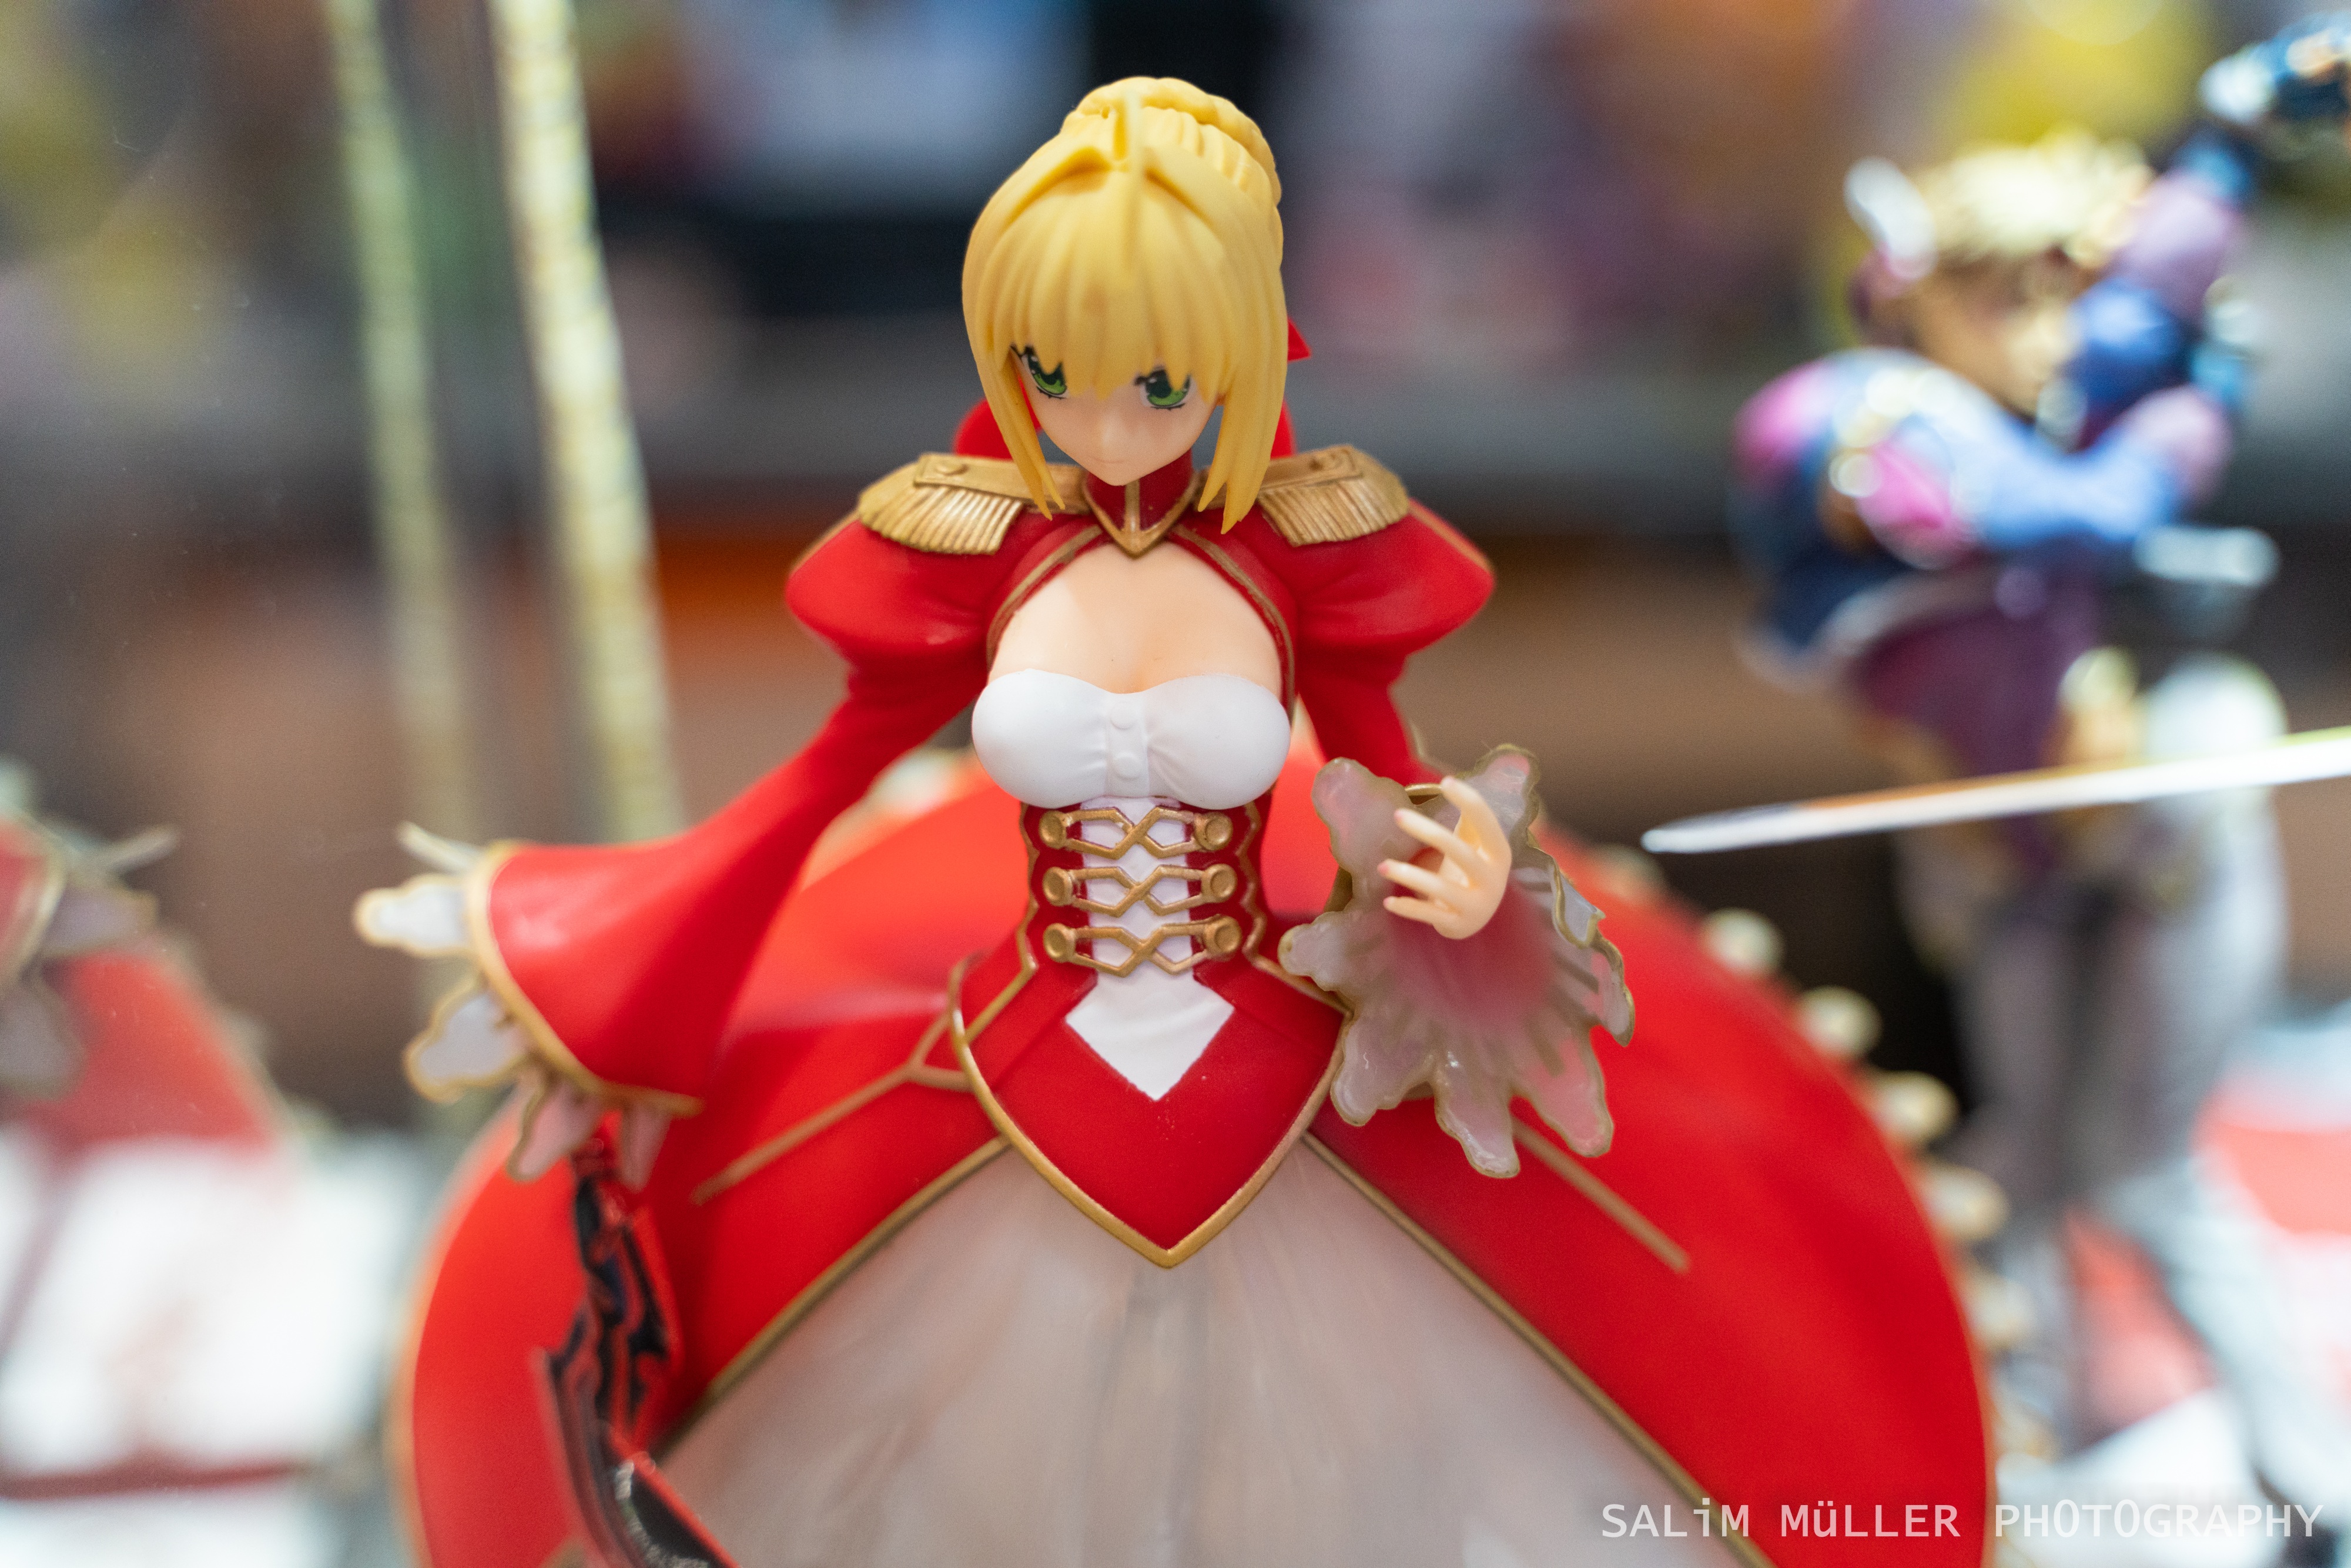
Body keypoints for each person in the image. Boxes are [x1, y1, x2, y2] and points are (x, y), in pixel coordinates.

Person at [362, 79, 1987, 1568]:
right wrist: (616, 960)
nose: (1107, 419)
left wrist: (1469, 875)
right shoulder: (972, 546)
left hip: (1266, 1082)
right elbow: (820, 779)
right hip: (1016, 1066)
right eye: (1052, 372)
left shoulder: (1302, 546)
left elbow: (1394, 787)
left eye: (1156, 377)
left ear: (1235, 349)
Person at [1729, 17, 2351, 1530]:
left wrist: (2235, 126)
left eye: (2062, 293)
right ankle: (2029, 1455)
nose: (2051, 329)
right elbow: (2061, 515)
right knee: (2019, 1162)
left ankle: (2310, 1484)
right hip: (1993, 839)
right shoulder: (1873, 423)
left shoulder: (2061, 361)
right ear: (1918, 293)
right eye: (2006, 295)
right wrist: (2187, 423)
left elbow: (2157, 283)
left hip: (2145, 811)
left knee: (2142, 1175)